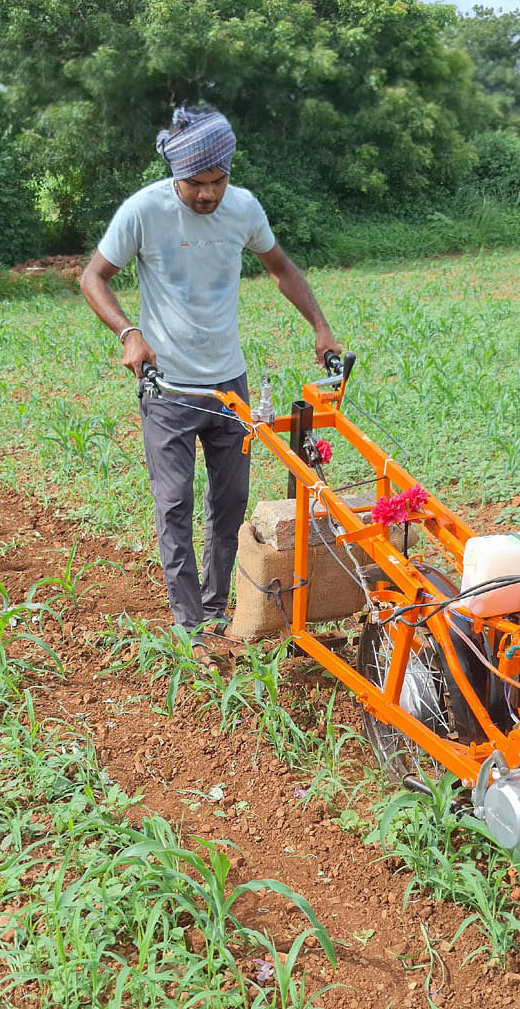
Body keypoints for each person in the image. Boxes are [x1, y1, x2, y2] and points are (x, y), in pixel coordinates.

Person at [80, 105, 339, 658]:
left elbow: (281, 269)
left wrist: (320, 326)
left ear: (228, 171)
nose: (207, 195)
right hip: (169, 391)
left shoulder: (243, 208)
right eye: (195, 183)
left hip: (229, 388)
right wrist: (129, 333)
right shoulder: (143, 212)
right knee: (174, 503)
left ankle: (219, 610)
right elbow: (92, 277)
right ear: (177, 175)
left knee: (230, 502)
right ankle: (189, 624)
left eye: (217, 181)